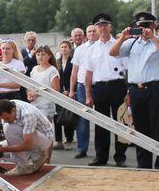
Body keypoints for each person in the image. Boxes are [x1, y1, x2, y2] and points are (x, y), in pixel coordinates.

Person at [109, 11, 159, 169]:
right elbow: (112, 53)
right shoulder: (132, 43)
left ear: (153, 26)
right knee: (140, 129)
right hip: (136, 90)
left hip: (155, 88)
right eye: (140, 26)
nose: (143, 29)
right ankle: (144, 164)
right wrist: (122, 38)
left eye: (146, 26)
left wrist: (153, 38)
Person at [84, 13, 128, 167]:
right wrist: (88, 95)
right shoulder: (91, 49)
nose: (102, 28)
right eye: (99, 25)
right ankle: (101, 157)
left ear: (110, 27)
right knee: (101, 124)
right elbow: (88, 74)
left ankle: (120, 157)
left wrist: (128, 92)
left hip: (118, 86)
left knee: (120, 123)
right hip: (100, 87)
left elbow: (128, 70)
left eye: (105, 25)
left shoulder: (120, 45)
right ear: (96, 28)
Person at [0, 98, 54, 176]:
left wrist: (1, 149)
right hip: (35, 136)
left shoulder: (28, 114)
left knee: (11, 128)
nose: (5, 121)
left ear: (13, 110)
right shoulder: (9, 105)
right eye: (3, 119)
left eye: (7, 118)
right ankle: (37, 157)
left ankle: (24, 167)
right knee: (6, 133)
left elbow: (26, 145)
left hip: (45, 138)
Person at [69, 25, 97, 159]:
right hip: (81, 87)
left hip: (99, 85)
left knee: (103, 119)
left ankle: (101, 151)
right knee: (82, 119)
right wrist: (71, 90)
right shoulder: (79, 50)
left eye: (94, 31)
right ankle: (82, 149)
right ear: (87, 34)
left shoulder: (102, 47)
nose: (92, 33)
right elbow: (74, 71)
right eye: (89, 31)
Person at [27, 45, 60, 126]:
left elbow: (56, 90)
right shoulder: (34, 69)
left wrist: (37, 93)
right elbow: (30, 86)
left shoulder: (52, 70)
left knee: (44, 129)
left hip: (46, 105)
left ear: (49, 56)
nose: (40, 57)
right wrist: (29, 94)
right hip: (34, 104)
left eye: (43, 54)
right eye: (38, 54)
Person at [55, 39, 74, 148]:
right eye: (62, 47)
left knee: (68, 116)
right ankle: (58, 140)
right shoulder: (56, 62)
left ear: (70, 49)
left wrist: (70, 90)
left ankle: (69, 138)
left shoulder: (73, 61)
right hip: (58, 91)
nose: (64, 49)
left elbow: (74, 77)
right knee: (57, 115)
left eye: (66, 47)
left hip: (69, 91)